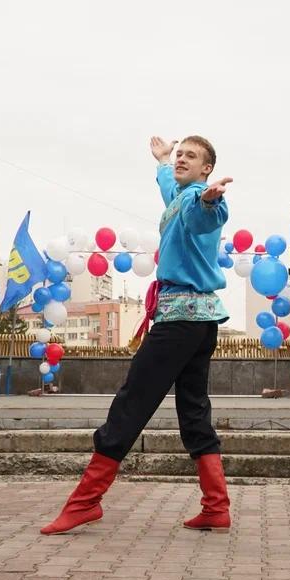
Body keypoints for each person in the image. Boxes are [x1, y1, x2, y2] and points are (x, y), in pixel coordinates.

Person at [41, 135, 232, 535]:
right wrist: (163, 161)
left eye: (190, 156)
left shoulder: (199, 198)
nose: (182, 159)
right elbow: (172, 189)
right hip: (199, 321)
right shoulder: (180, 193)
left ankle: (85, 502)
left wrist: (212, 200)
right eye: (180, 153)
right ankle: (216, 506)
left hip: (181, 320)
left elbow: (205, 215)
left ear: (207, 169)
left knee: (133, 401)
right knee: (194, 408)